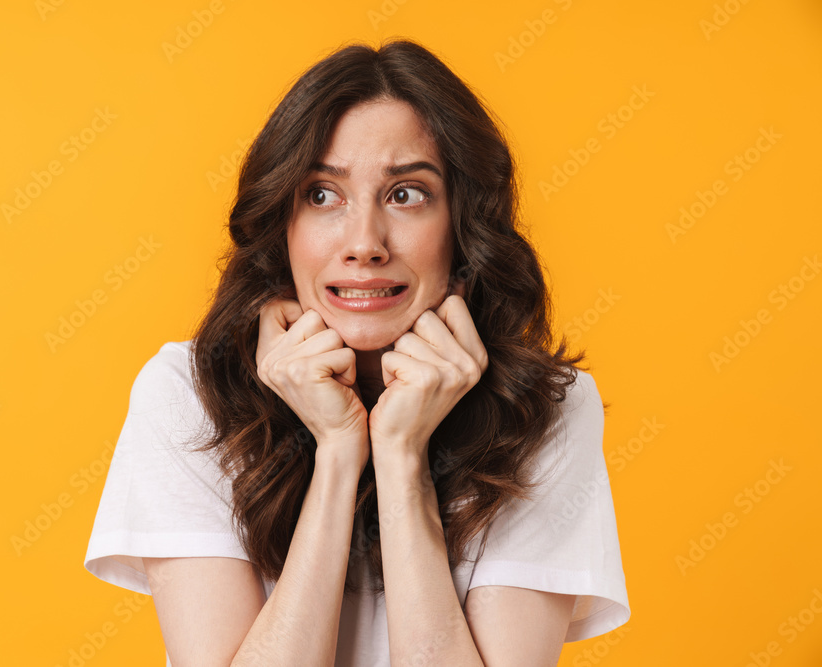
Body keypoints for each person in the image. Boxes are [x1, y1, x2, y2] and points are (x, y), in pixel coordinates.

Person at [84, 39, 629, 666]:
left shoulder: (546, 409)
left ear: (463, 225)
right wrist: (339, 452)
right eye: (322, 194)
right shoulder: (186, 394)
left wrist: (401, 459)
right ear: (280, 225)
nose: (365, 243)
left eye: (406, 194)